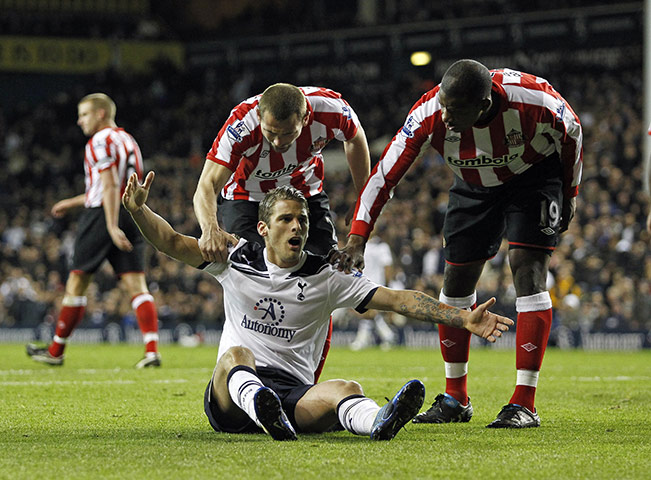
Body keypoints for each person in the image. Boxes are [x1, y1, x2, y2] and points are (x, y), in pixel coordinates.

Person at [123, 172, 513, 441]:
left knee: (346, 388)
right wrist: (140, 211)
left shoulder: (326, 276)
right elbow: (172, 242)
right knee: (234, 355)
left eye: (302, 220)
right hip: (231, 399)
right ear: (263, 228)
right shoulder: (234, 258)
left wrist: (462, 317)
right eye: (286, 220)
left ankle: (379, 420)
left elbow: (396, 299)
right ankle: (261, 406)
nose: (297, 227)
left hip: (291, 397)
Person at [330, 59, 583, 428]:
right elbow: (384, 175)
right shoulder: (429, 113)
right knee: (456, 282)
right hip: (473, 183)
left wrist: (570, 191)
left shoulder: (533, 100)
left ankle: (524, 403)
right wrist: (357, 236)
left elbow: (572, 131)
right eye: (445, 105)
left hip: (533, 177)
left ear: (484, 105)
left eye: (456, 109)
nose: (446, 115)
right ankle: (454, 399)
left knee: (528, 269)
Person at [26, 93, 160, 368]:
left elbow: (109, 186)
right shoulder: (128, 140)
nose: (79, 121)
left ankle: (56, 351)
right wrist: (74, 202)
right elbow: (116, 186)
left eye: (84, 114)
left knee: (77, 281)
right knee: (137, 284)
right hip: (133, 212)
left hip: (103, 214)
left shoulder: (98, 141)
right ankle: (152, 351)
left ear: (100, 114)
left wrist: (109, 225)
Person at [193, 83, 371, 264]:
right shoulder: (241, 126)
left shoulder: (331, 110)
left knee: (326, 265)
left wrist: (362, 195)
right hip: (246, 196)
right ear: (259, 116)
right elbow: (207, 184)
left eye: (288, 133)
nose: (278, 142)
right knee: (255, 267)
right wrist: (209, 229)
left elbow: (355, 138)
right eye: (270, 132)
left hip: (303, 191)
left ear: (306, 118)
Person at [350, 231, 397, 350]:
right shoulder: (361, 246)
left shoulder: (381, 246)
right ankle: (388, 336)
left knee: (367, 312)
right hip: (363, 284)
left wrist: (387, 286)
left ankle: (362, 340)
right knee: (368, 313)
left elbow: (387, 267)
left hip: (376, 285)